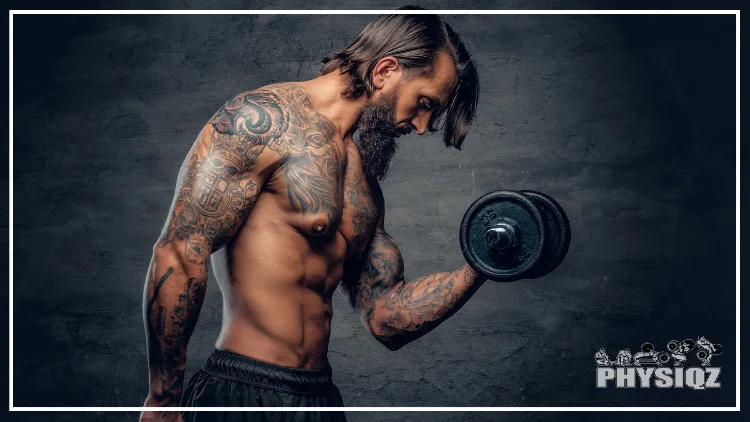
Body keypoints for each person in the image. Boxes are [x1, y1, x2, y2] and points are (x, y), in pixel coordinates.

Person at [140, 7, 480, 422]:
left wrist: (480, 267)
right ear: (386, 70)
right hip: (244, 392)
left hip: (318, 400)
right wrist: (163, 399)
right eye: (423, 103)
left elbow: (387, 316)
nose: (423, 126)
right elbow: (180, 253)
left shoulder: (364, 182)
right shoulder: (259, 121)